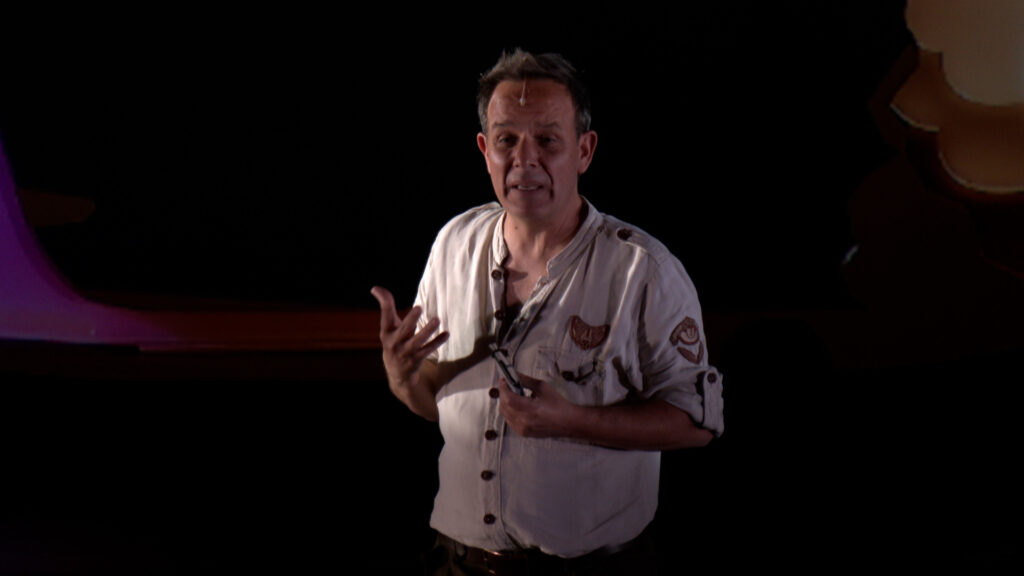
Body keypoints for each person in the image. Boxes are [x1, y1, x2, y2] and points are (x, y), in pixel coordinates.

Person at [371, 49, 724, 576]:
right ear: (484, 149)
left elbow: (698, 422)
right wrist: (402, 379)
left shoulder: (642, 271)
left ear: (584, 150)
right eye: (507, 140)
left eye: (547, 140)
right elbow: (436, 404)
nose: (524, 159)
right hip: (459, 562)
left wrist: (573, 421)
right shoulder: (453, 246)